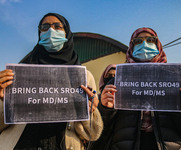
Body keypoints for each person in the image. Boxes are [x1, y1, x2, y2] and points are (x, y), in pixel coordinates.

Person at [0, 13, 103, 150]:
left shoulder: (83, 77)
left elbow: (92, 135)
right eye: (45, 27)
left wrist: (90, 112)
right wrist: (2, 101)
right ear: (39, 32)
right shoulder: (18, 74)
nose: (50, 31)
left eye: (57, 26)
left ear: (67, 33)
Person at [91, 27, 181, 150]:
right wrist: (105, 109)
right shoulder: (117, 82)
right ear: (131, 47)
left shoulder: (174, 80)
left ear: (158, 44)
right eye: (138, 41)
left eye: (150, 40)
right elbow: (99, 132)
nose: (144, 44)